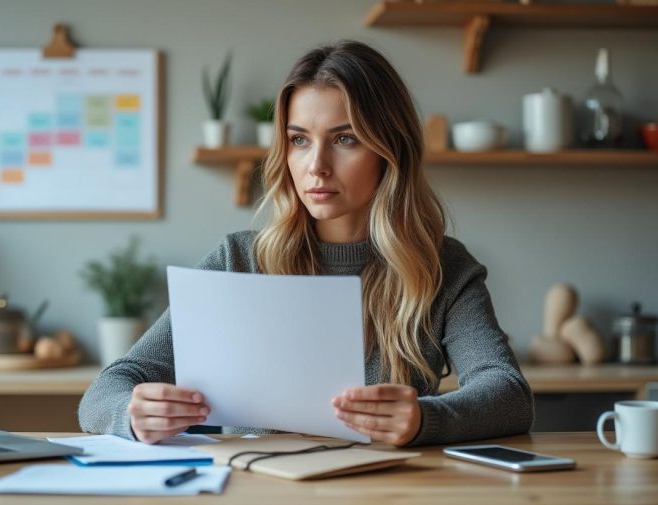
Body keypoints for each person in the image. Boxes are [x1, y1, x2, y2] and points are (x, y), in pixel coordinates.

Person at [79, 40, 534, 447]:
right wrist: (132, 414)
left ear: (389, 150)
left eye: (345, 138)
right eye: (299, 140)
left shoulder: (443, 267)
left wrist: (424, 420)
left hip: (389, 493)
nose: (316, 165)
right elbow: (107, 389)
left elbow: (508, 393)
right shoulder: (238, 260)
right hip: (257, 493)